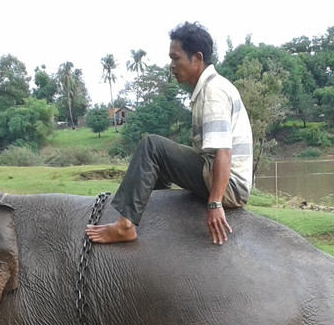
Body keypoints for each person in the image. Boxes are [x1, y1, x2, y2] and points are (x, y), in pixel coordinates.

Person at [86, 22, 253, 246]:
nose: (172, 66)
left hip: (230, 186)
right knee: (162, 156)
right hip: (218, 174)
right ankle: (156, 215)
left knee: (152, 146)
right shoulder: (208, 88)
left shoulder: (213, 92)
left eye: (176, 58)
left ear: (197, 58)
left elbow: (224, 151)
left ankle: (125, 225)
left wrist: (215, 203)